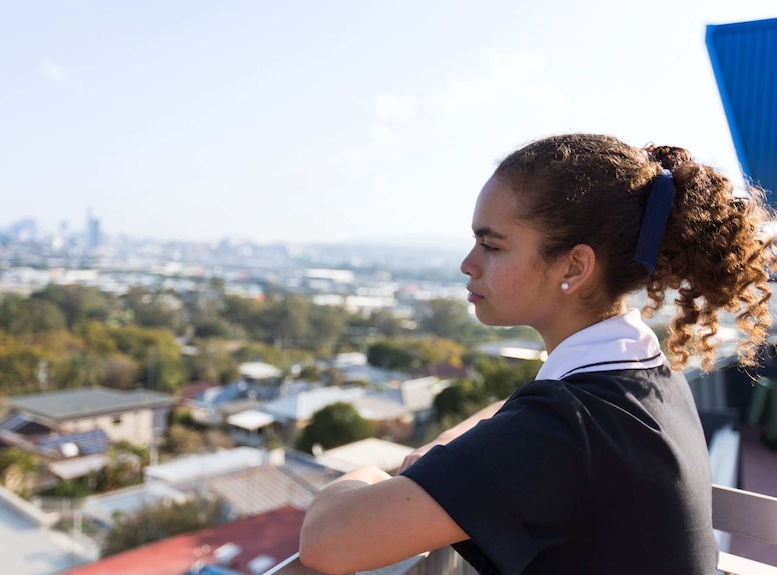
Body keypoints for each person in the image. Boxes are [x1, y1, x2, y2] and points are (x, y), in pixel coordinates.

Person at [298, 133, 776, 575]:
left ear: (575, 265)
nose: (468, 264)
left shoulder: (566, 427)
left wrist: (372, 473)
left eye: (490, 245)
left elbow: (326, 540)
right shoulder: (646, 376)